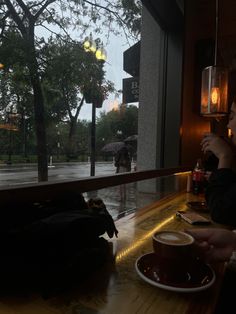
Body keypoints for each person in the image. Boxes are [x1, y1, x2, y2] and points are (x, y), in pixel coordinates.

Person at [201, 100, 236, 226]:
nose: (228, 125)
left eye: (232, 116)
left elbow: (220, 212)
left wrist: (224, 156)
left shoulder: (227, 155)